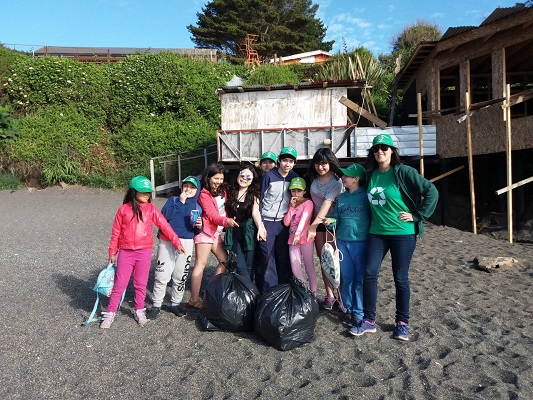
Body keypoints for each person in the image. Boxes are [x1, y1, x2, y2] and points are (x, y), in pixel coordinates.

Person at [350, 134, 438, 341]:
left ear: (392, 151)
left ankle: (402, 323)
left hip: (402, 233)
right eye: (376, 148)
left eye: (384, 148)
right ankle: (369, 320)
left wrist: (418, 215)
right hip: (376, 232)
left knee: (400, 277)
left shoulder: (404, 172)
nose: (380, 151)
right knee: (369, 273)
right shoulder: (370, 174)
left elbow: (431, 191)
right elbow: (350, 181)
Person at [101, 176, 185, 329]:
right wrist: (112, 252)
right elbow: (116, 232)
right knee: (120, 284)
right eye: (143, 191)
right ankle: (110, 312)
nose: (147, 194)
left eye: (148, 192)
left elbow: (164, 225)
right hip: (126, 252)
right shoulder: (123, 209)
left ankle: (139, 310)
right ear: (134, 192)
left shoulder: (151, 209)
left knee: (141, 284)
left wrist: (176, 242)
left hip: (144, 252)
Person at [147, 176, 202, 320]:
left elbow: (196, 231)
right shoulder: (172, 200)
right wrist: (180, 202)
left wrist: (199, 226)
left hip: (186, 242)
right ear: (182, 187)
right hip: (167, 240)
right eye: (186, 186)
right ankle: (156, 304)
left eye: (192, 187)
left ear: (197, 190)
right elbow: (164, 217)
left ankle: (175, 303)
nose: (188, 189)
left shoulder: (197, 207)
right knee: (162, 274)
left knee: (180, 275)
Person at [325, 163, 370, 328]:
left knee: (359, 279)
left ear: (357, 179)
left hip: (361, 243)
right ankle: (348, 309)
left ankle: (359, 313)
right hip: (342, 242)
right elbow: (337, 218)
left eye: (347, 176)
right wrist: (330, 222)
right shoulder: (342, 197)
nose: (343, 178)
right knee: (346, 278)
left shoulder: (366, 196)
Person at [189, 163, 239, 309]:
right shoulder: (204, 194)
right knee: (201, 264)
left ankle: (210, 291)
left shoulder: (223, 190)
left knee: (225, 261)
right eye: (215, 178)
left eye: (221, 178)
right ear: (208, 177)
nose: (218, 181)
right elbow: (211, 215)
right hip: (205, 232)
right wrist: (226, 221)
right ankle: (193, 299)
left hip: (216, 233)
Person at [306, 148, 344, 309]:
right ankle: (329, 295)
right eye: (317, 164)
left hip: (330, 224)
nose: (320, 167)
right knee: (324, 260)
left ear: (330, 163)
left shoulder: (336, 182)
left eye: (323, 163)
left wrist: (312, 226)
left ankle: (340, 295)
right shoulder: (314, 180)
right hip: (317, 223)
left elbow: (327, 205)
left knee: (334, 260)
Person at [259, 146, 298, 292]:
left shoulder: (294, 177)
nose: (287, 164)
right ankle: (269, 292)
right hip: (267, 222)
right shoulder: (268, 176)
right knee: (268, 258)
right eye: (284, 160)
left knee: (283, 257)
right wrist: (260, 224)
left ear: (294, 163)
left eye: (290, 161)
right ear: (279, 161)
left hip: (284, 223)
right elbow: (260, 199)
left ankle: (284, 291)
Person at [224, 165, 266, 280]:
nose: (244, 179)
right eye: (242, 175)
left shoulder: (253, 195)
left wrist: (260, 228)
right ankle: (251, 292)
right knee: (240, 266)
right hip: (234, 232)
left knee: (248, 266)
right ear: (237, 175)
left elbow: (255, 212)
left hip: (249, 232)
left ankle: (248, 294)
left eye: (249, 177)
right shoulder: (230, 191)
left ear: (252, 180)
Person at [283, 177, 316, 295]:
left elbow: (304, 219)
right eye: (293, 191)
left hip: (305, 239)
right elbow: (287, 222)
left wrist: (298, 234)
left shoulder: (308, 203)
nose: (296, 193)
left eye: (299, 190)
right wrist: (291, 207)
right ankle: (304, 292)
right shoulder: (292, 204)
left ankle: (313, 293)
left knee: (309, 267)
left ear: (304, 191)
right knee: (295, 267)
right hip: (292, 240)